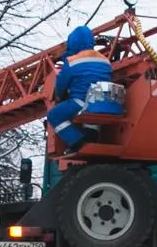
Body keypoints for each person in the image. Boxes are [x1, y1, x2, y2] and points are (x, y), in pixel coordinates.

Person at [45, 24, 113, 152]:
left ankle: (76, 141)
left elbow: (61, 85)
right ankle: (91, 137)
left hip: (81, 101)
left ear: (73, 43)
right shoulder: (105, 60)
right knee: (91, 114)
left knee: (54, 115)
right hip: (102, 102)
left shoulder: (72, 61)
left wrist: (59, 97)